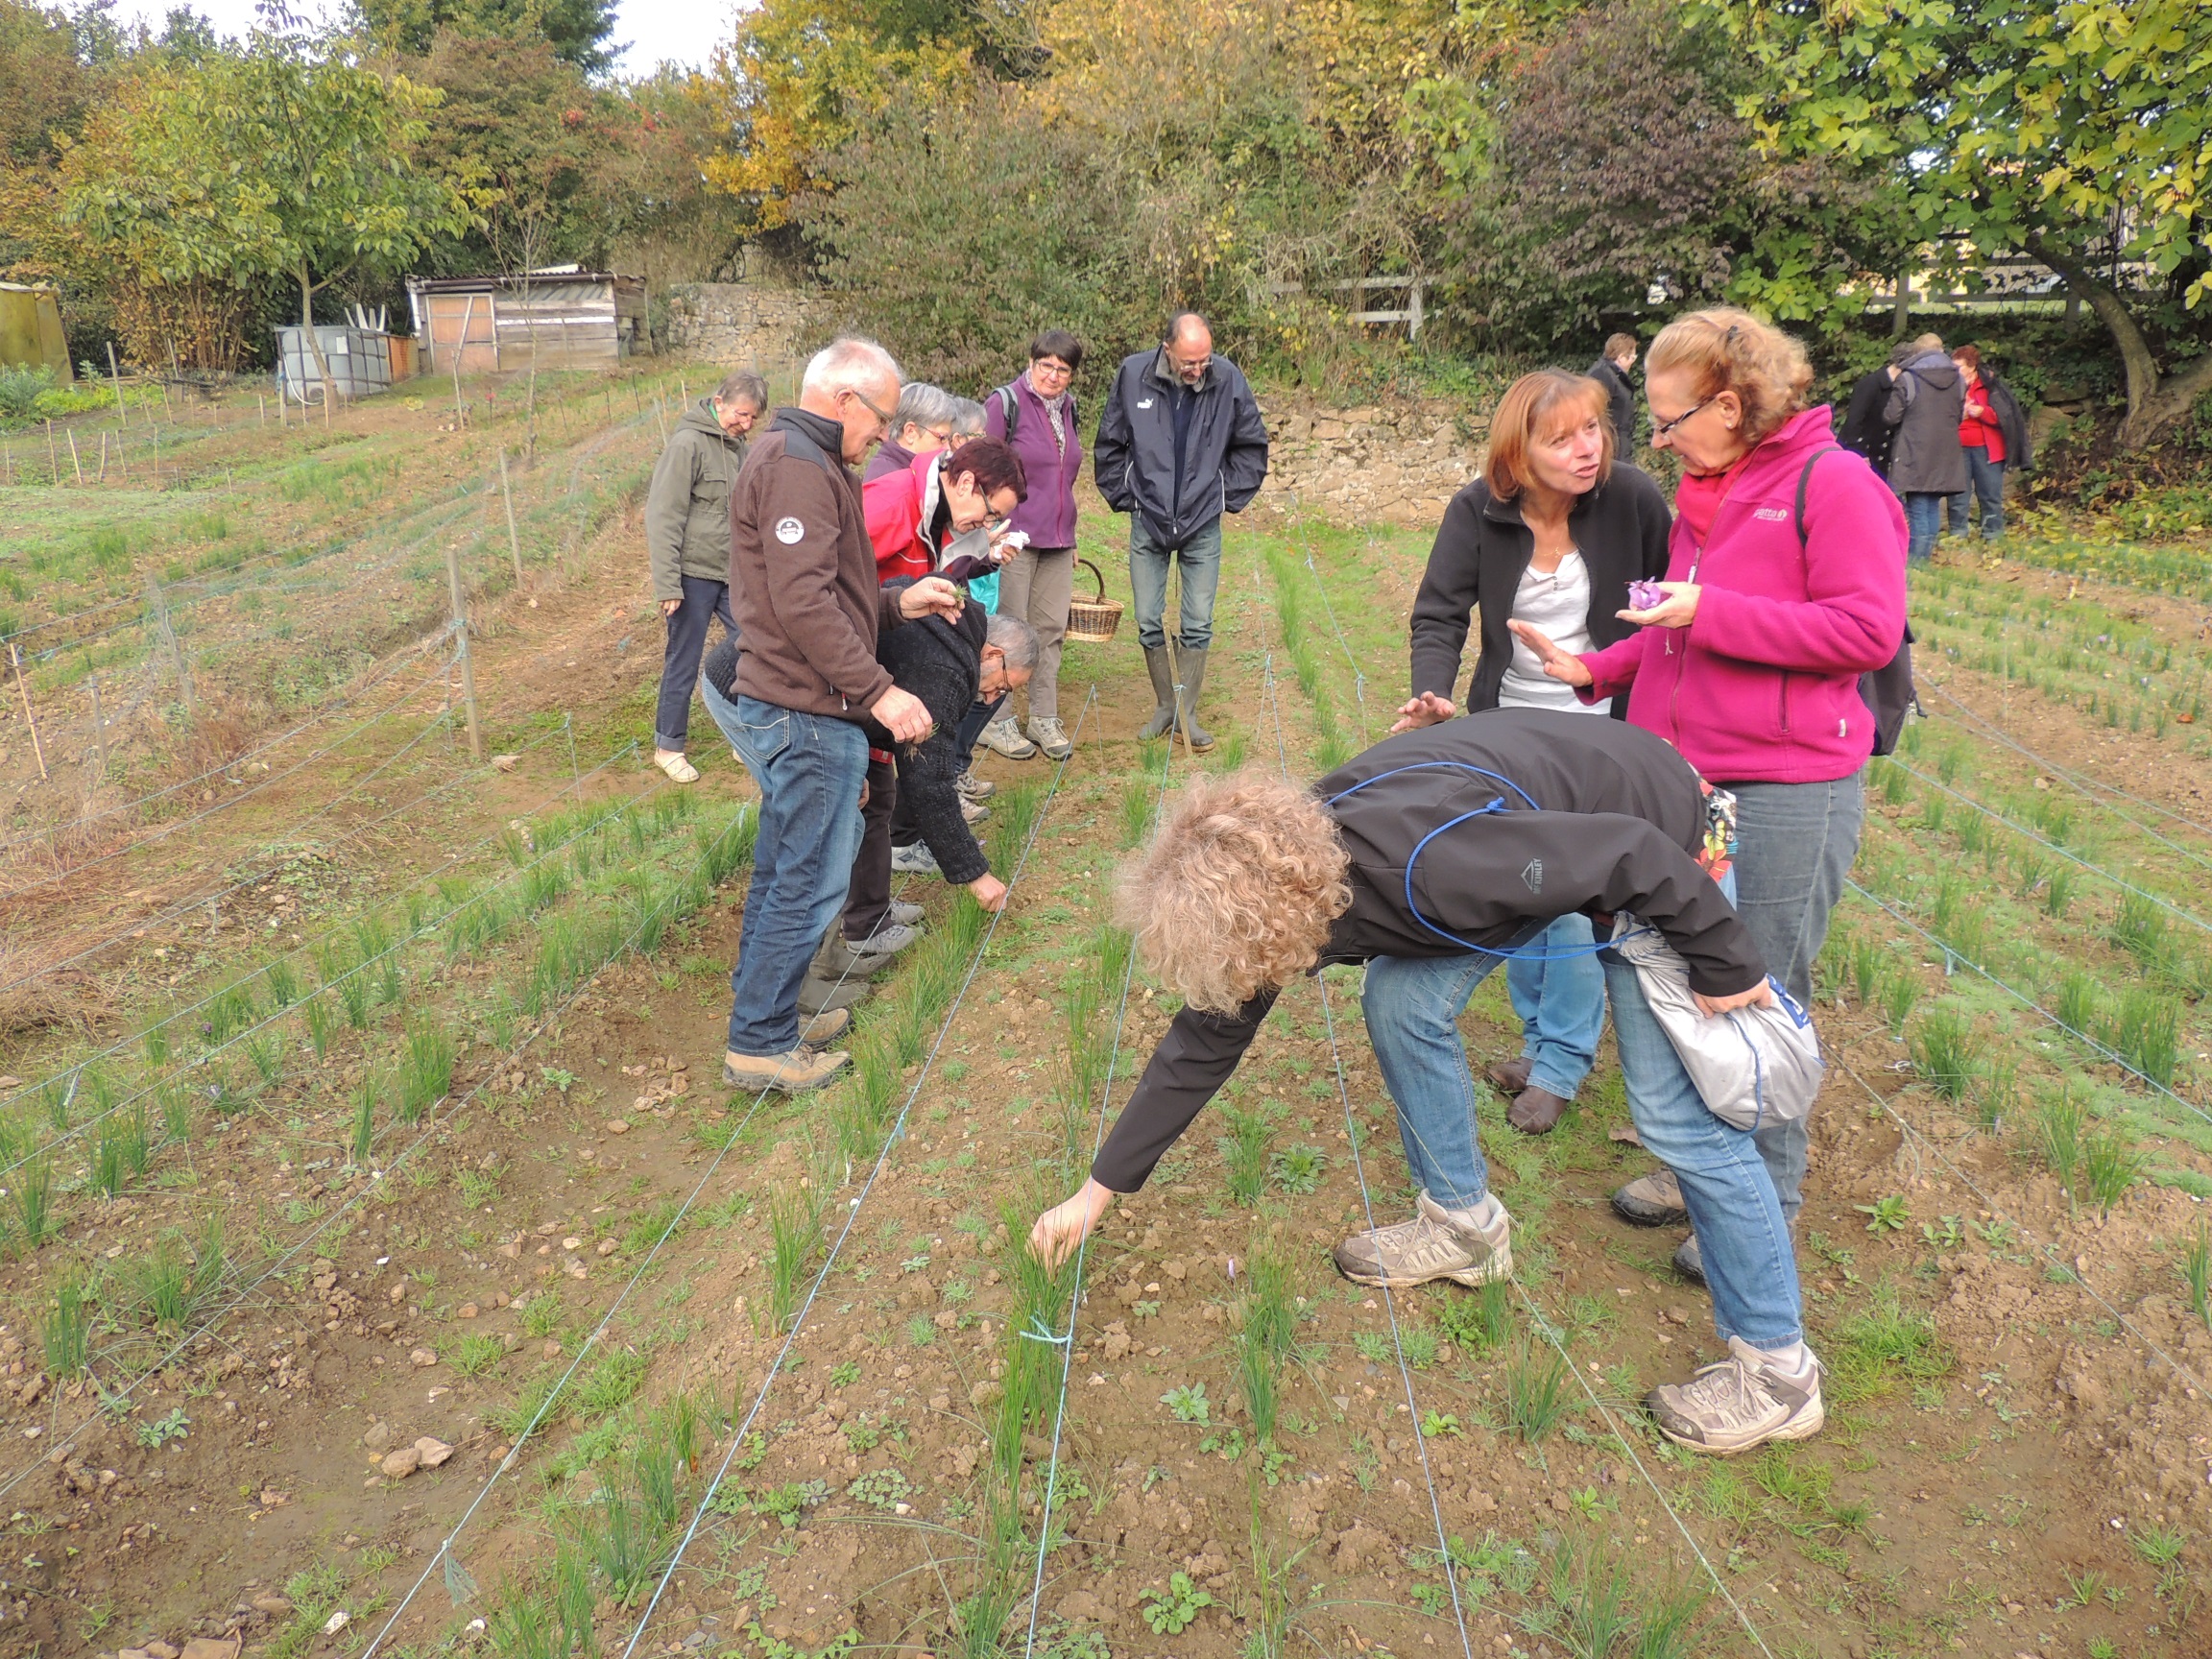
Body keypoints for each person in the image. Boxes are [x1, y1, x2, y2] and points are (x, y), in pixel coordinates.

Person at [1028, 713, 1826, 1456]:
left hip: (1667, 844)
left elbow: (1631, 857)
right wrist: (1095, 1194)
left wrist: (1728, 962)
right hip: (1548, 827)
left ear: (1269, 923)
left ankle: (1779, 1373)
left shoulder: (1429, 867)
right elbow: (1204, 1039)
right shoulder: (1292, 861)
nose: (1239, 981)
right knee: (1403, 997)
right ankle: (1464, 1228)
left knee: (1678, 1118)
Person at [1508, 306, 1906, 1283]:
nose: (1661, 436)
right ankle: (1702, 1171)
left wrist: (1713, 610)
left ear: (1731, 405)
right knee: (1685, 977)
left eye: (1673, 416)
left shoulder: (1833, 485)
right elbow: (1673, 623)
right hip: (1687, 786)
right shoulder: (1708, 490)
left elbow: (1867, 632)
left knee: (1757, 989)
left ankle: (1761, 1210)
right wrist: (1594, 671)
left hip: (1785, 786)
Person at [1395, 370, 1671, 1135]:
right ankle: (1539, 1039)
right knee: (1525, 884)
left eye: (1594, 429)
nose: (1589, 450)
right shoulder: (1477, 510)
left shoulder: (1634, 500)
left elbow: (1665, 608)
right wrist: (1434, 693)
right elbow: (1439, 612)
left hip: (1605, 735)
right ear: (1518, 457)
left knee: (1578, 902)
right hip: (1512, 735)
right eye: (1563, 439)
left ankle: (1561, 1065)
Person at [720, 337, 965, 1094]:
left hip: (804, 700)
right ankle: (761, 1040)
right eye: (883, 419)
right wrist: (878, 691)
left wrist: (898, 600)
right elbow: (801, 604)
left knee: (783, 872)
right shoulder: (797, 465)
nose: (886, 437)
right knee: (808, 881)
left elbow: (824, 592)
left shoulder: (809, 458)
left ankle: (769, 1017)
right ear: (845, 399)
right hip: (805, 708)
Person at [829, 439, 1028, 974]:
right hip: (828, 674)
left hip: (866, 671)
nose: (988, 523)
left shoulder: (935, 517)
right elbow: (822, 585)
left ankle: (868, 916)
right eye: (991, 513)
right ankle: (827, 958)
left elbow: (923, 584)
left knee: (875, 792)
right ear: (965, 484)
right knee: (832, 812)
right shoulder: (893, 503)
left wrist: (982, 560)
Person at [1094, 311, 1270, 750]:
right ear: (1167, 349)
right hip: (1148, 519)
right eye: (1189, 362)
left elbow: (1251, 444)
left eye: (1204, 361)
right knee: (1147, 619)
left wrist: (1225, 496)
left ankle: (1186, 715)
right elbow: (1110, 443)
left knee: (1198, 622)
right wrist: (1128, 496)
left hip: (1202, 521)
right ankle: (1163, 707)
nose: (1197, 370)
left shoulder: (1227, 378)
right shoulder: (1133, 374)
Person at [646, 369, 764, 782]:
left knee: (753, 649)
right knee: (684, 659)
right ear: (719, 402)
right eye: (740, 414)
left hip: (733, 574)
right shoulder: (686, 445)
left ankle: (742, 733)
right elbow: (663, 516)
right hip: (693, 574)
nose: (745, 424)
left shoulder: (739, 449)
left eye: (752, 419)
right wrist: (667, 583)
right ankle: (668, 746)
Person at [982, 330, 1088, 764]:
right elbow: (984, 467)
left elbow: (1065, 477)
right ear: (1031, 362)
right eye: (1046, 365)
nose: (1053, 375)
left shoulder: (1069, 408)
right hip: (1015, 539)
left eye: (1063, 369)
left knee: (1050, 631)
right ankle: (996, 718)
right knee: (1008, 631)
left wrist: (1071, 534)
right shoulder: (1003, 403)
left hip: (1058, 541)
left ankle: (1044, 717)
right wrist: (991, 530)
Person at [1882, 331, 1965, 562]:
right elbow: (1959, 415)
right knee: (1931, 505)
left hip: (1915, 449)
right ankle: (1925, 555)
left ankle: (1917, 560)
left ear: (1917, 352)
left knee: (1918, 506)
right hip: (1945, 451)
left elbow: (1891, 416)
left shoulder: (1908, 378)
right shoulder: (1959, 379)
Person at [1947, 345, 2031, 541]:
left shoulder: (1990, 386)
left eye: (1959, 367)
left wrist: (1981, 412)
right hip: (1957, 447)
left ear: (1972, 366)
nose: (1955, 371)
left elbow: (2004, 417)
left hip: (1987, 448)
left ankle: (1992, 533)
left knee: (1990, 493)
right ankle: (1957, 534)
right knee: (1958, 495)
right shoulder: (1949, 385)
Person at [1835, 343, 1914, 479]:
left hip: (1879, 456)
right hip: (1859, 454)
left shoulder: (1897, 388)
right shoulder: (1870, 384)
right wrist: (1859, 452)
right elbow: (1854, 420)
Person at [863, 382, 960, 485]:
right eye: (942, 438)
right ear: (910, 432)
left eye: (948, 440)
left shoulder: (905, 471)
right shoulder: (889, 480)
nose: (947, 448)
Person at [1588, 332, 1639, 455]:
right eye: (1633, 356)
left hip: (1619, 444)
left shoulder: (1613, 374)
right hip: (1611, 448)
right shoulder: (1602, 375)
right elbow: (1594, 413)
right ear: (1621, 357)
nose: (1634, 360)